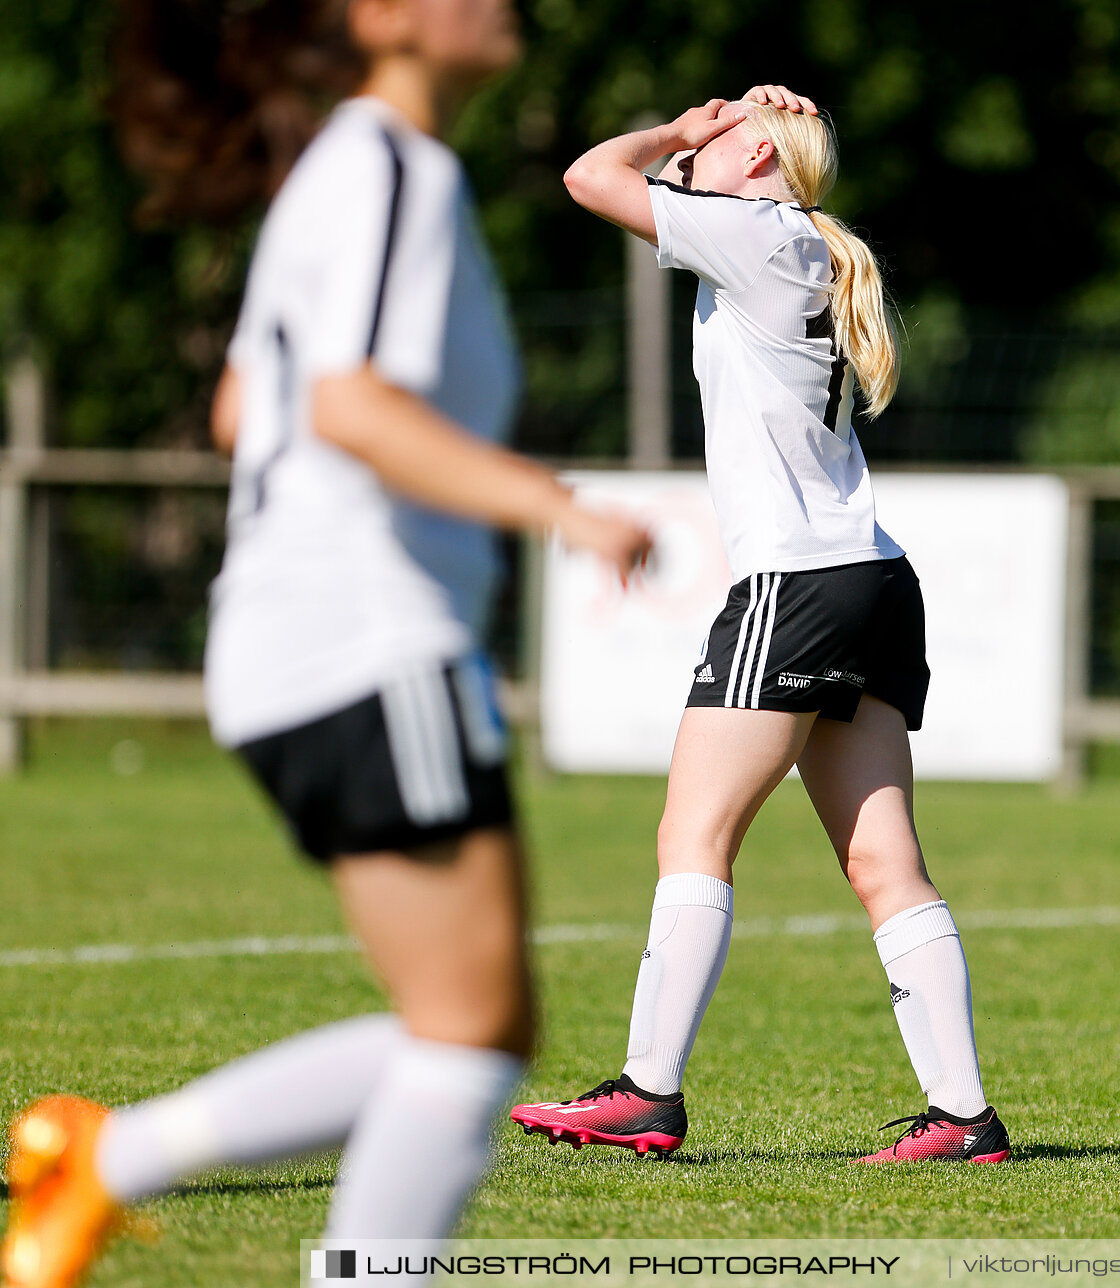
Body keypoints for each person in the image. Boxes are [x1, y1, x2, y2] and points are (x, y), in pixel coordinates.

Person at [1, 1, 652, 1285]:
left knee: (470, 1026)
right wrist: (561, 509)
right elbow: (348, 405)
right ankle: (133, 1174)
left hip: (313, 641)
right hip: (364, 638)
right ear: (386, 19)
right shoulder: (390, 166)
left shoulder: (340, 172)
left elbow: (250, 404)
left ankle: (103, 1160)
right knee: (469, 1040)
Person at [507, 87, 1010, 1165]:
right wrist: (717, 134)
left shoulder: (754, 232)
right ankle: (964, 1117)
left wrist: (683, 133)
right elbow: (648, 192)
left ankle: (648, 1091)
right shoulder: (783, 242)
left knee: (693, 837)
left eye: (730, 126)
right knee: (885, 862)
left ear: (756, 161)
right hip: (871, 578)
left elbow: (592, 174)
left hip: (798, 581)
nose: (704, 125)